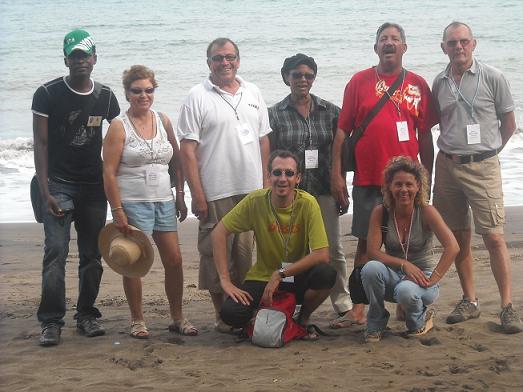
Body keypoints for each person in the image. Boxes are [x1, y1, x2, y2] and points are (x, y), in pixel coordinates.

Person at [330, 22, 437, 325]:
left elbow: (425, 135)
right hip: (368, 180)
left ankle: (405, 302)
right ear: (375, 47)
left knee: (406, 243)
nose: (389, 43)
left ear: (405, 47)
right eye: (383, 39)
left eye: (395, 39)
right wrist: (337, 176)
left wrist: (427, 179)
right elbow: (341, 133)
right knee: (366, 244)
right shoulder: (359, 81)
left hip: (407, 185)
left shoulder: (417, 84)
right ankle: (359, 308)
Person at [432, 22, 522, 333]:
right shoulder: (440, 82)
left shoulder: (494, 77)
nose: (459, 47)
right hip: (447, 166)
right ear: (443, 47)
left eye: (464, 41)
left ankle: (507, 307)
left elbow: (509, 123)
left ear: (474, 43)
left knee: (494, 237)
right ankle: (470, 301)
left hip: (482, 166)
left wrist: (489, 152)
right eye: (452, 42)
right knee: (458, 238)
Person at [32, 29, 120, 346]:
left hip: (94, 186)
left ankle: (86, 316)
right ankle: (51, 321)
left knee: (92, 255)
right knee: (55, 252)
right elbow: (40, 144)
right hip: (58, 183)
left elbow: (119, 139)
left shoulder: (107, 96)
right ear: (66, 59)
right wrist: (45, 191)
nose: (81, 61)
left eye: (86, 55)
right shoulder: (47, 93)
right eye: (75, 55)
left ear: (95, 58)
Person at [177, 38, 272, 332]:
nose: (224, 63)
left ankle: (239, 314)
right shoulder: (197, 96)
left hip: (251, 190)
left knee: (244, 256)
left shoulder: (253, 91)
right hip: (215, 190)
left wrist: (266, 181)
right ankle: (221, 316)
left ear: (238, 61)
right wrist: (197, 193)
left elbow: (263, 139)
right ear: (209, 63)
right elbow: (187, 149)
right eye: (218, 58)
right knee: (214, 255)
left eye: (230, 57)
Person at [103, 65, 197, 338]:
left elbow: (177, 161)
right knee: (133, 261)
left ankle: (177, 317)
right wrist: (117, 209)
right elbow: (108, 172)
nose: (143, 96)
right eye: (137, 91)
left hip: (163, 201)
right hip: (132, 203)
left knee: (175, 260)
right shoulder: (119, 127)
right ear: (127, 93)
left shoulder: (163, 120)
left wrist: (180, 195)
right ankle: (137, 320)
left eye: (148, 90)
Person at [212, 150, 336, 339]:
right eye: (277, 173)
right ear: (269, 176)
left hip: (294, 275)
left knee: (326, 274)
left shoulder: (308, 203)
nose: (282, 179)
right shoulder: (256, 201)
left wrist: (280, 274)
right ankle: (264, 316)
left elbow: (322, 254)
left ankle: (301, 319)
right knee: (230, 313)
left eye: (289, 173)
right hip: (262, 277)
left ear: (298, 178)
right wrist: (225, 281)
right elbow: (219, 233)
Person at [268, 53, 353, 325]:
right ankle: (288, 301)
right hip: (289, 194)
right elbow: (270, 156)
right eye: (296, 75)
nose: (302, 80)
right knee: (290, 251)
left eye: (308, 75)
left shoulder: (331, 111)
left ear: (314, 78)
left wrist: (341, 181)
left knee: (333, 248)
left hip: (324, 190)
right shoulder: (274, 115)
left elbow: (340, 151)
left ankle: (342, 302)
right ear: (286, 78)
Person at [362, 156, 459, 342]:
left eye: (409, 184)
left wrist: (434, 278)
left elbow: (452, 247)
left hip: (423, 279)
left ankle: (418, 320)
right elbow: (373, 252)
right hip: (394, 275)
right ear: (389, 186)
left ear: (418, 186)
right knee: (370, 268)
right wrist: (403, 264)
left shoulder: (426, 211)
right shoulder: (381, 212)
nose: (403, 189)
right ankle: (376, 321)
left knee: (406, 290)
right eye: (398, 184)